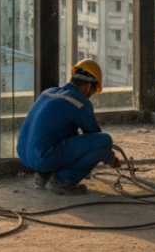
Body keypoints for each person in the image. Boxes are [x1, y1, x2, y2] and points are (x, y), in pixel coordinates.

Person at [17, 58, 121, 194]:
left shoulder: (49, 92)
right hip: (42, 157)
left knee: (67, 133)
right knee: (105, 141)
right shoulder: (78, 101)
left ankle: (44, 175)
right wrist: (111, 159)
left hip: (25, 155)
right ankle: (62, 181)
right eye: (93, 91)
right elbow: (95, 137)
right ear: (88, 87)